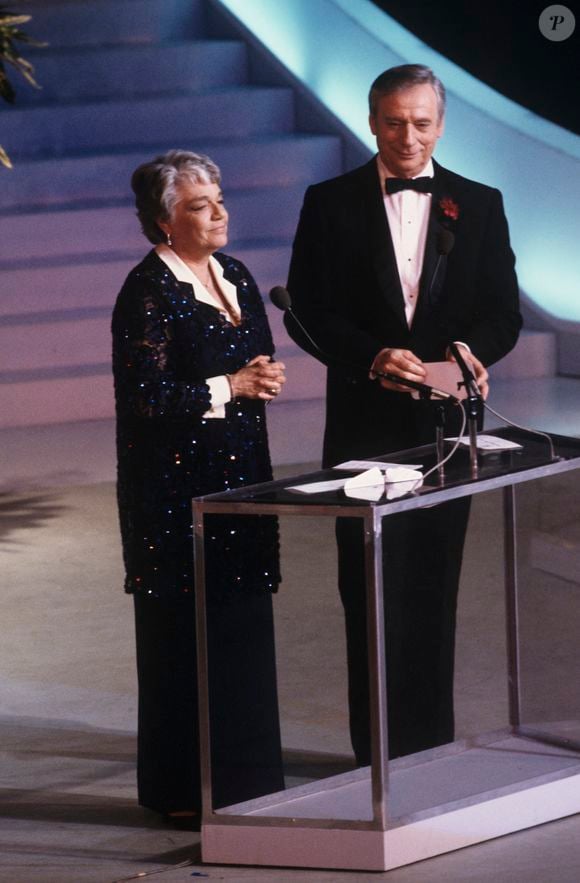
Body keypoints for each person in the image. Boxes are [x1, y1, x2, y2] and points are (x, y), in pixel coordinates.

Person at [286, 64, 521, 763]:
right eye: (394, 121)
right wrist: (370, 356)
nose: (408, 135)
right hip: (363, 425)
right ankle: (376, 759)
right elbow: (308, 311)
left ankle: (430, 752)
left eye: (421, 121)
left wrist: (467, 352)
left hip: (447, 429)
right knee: (369, 591)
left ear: (441, 124)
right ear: (372, 122)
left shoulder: (479, 204)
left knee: (433, 589)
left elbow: (502, 312)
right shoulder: (328, 202)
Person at [112, 150, 287, 820]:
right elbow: (146, 396)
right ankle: (185, 793)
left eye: (218, 197)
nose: (219, 212)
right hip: (173, 493)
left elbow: (254, 357)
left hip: (241, 476)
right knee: (182, 636)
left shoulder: (235, 273)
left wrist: (261, 378)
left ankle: (249, 783)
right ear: (163, 221)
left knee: (240, 621)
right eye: (199, 204)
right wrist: (232, 386)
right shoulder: (147, 292)